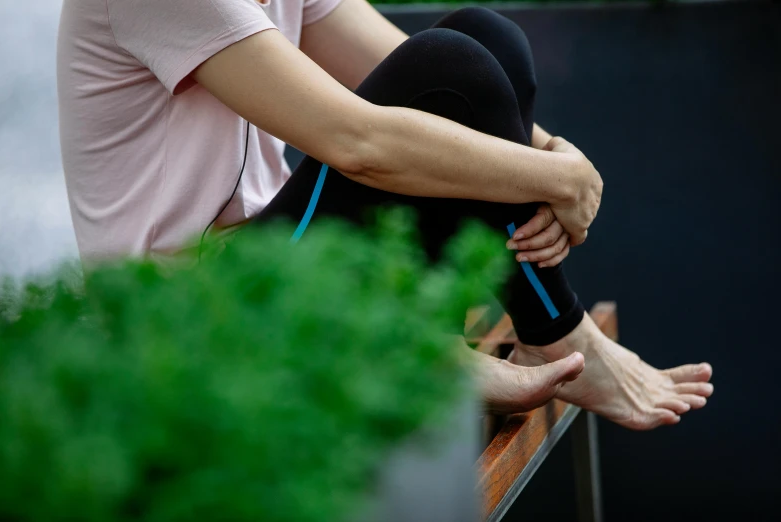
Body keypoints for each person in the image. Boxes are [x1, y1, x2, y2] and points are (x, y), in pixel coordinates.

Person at [57, 0, 713, 430]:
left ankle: (525, 332)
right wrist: (556, 178)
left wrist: (552, 150)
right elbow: (357, 142)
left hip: (272, 268)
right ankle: (558, 331)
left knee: (484, 38)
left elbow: (444, 73)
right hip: (185, 327)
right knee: (445, 65)